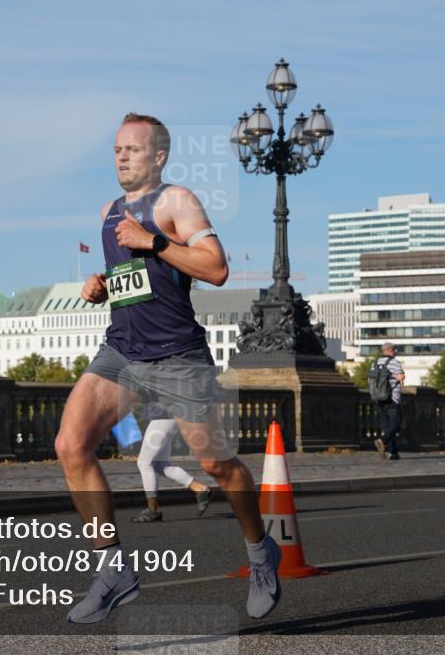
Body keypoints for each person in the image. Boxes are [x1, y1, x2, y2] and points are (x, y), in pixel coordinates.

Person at [55, 113, 281, 624]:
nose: (121, 156)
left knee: (216, 465)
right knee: (71, 445)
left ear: (158, 156)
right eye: (117, 149)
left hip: (178, 356)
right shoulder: (110, 212)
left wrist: (154, 240)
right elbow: (137, 279)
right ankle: (114, 571)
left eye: (133, 149)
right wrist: (101, 285)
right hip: (123, 352)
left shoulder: (177, 201)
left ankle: (260, 552)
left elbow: (216, 268)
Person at [131, 413, 212, 523]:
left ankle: (153, 509)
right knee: (161, 464)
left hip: (161, 418)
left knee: (144, 463)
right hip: (169, 419)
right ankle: (200, 489)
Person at [372, 342, 406, 460]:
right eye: (395, 350)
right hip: (392, 398)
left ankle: (393, 452)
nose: (396, 352)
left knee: (388, 427)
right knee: (396, 424)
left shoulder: (375, 363)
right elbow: (400, 377)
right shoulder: (395, 362)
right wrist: (400, 376)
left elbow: (369, 380)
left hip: (378, 398)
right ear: (391, 350)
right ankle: (382, 440)